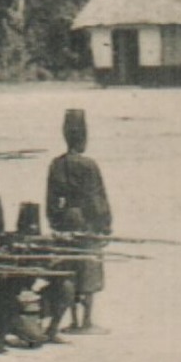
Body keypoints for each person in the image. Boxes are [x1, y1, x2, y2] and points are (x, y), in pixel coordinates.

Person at [45, 108, 110, 332]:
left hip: (65, 220)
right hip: (86, 220)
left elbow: (51, 200)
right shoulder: (88, 165)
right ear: (82, 136)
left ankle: (72, 319)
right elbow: (96, 198)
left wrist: (56, 223)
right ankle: (87, 321)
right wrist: (104, 225)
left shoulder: (56, 164)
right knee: (89, 269)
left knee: (70, 269)